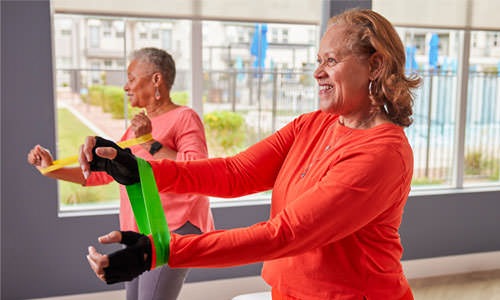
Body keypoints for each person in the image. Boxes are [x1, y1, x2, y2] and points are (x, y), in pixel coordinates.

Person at [82, 9, 421, 300]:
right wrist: (141, 171)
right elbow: (237, 172)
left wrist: (165, 250)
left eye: (331, 61)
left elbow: (285, 234)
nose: (318, 72)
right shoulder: (314, 124)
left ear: (375, 65)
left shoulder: (383, 154)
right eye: (318, 61)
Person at [27, 47, 214, 300]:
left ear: (156, 80)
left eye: (132, 78)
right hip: (141, 231)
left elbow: (197, 167)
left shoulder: (184, 117)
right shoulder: (135, 128)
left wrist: (149, 143)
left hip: (174, 227)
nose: (126, 87)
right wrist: (50, 169)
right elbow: (103, 173)